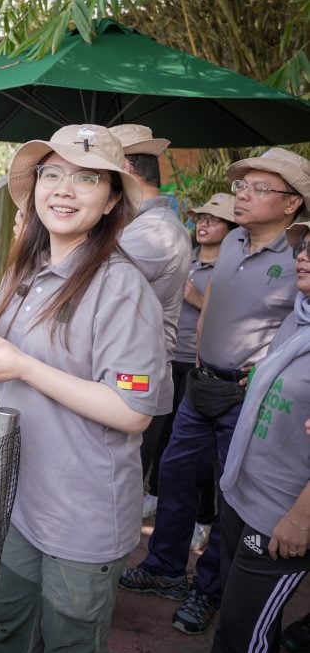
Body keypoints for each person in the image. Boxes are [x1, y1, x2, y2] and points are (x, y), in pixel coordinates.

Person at [0, 124, 165, 653]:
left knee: (70, 651)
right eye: (53, 174)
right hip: (20, 495)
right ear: (36, 186)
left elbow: (132, 411)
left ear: (112, 198)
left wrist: (25, 368)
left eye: (87, 178)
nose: (64, 189)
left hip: (82, 511)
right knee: (13, 631)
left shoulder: (121, 287)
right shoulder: (28, 266)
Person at [120, 147, 310, 635]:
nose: (242, 195)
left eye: (258, 189)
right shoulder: (231, 242)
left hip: (246, 397)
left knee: (231, 497)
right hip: (201, 383)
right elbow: (211, 305)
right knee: (174, 474)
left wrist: (263, 372)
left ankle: (209, 589)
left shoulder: (298, 257)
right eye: (242, 186)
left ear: (291, 204)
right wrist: (203, 351)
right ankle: (164, 568)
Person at [206, 219, 310, 653]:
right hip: (244, 494)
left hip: (282, 515)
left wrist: (301, 518)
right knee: (237, 625)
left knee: (243, 638)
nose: (302, 256)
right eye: (303, 247)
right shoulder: (299, 315)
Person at [108, 124, 192, 520]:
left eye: (93, 171)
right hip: (123, 381)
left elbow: (82, 278)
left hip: (130, 386)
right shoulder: (135, 225)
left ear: (123, 168)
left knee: (109, 495)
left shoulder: (154, 232)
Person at [158, 193, 238, 550]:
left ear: (231, 229)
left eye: (213, 219)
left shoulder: (232, 266)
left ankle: (203, 518)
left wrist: (196, 299)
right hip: (169, 356)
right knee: (165, 441)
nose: (202, 224)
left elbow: (231, 318)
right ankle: (160, 504)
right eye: (200, 218)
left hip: (203, 366)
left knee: (201, 456)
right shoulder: (184, 258)